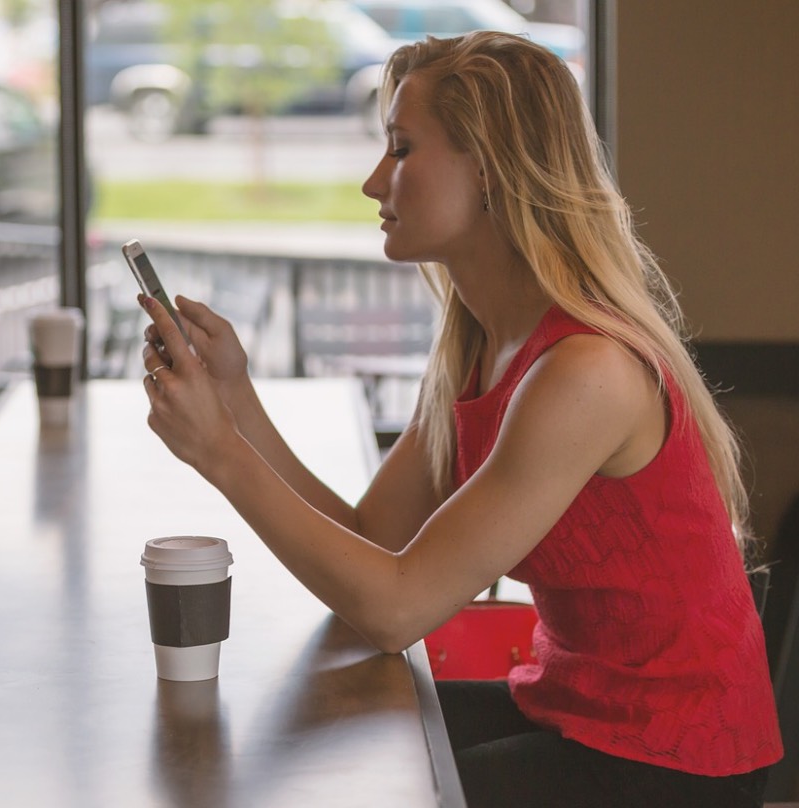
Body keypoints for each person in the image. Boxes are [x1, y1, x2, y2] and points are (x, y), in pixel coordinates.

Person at [139, 31, 782, 808]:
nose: (375, 182)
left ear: (490, 171)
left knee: (347, 784)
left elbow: (395, 609)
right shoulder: (482, 347)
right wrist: (236, 407)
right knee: (324, 735)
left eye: (402, 150)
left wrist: (220, 455)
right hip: (571, 711)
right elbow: (378, 544)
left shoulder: (585, 372)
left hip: (670, 763)